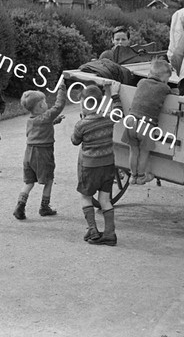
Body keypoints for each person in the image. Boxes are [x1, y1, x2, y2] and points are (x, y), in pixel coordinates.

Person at [72, 82, 122, 246]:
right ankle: (109, 233)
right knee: (104, 199)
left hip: (90, 167)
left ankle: (92, 229)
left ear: (83, 104)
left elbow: (74, 141)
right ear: (100, 103)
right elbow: (119, 112)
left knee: (86, 197)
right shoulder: (108, 119)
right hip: (108, 165)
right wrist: (115, 95)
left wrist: (82, 120)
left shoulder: (81, 124)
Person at [13, 82, 66, 220]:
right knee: (48, 179)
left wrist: (54, 122)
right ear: (41, 106)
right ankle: (44, 207)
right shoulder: (46, 116)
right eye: (45, 102)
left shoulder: (31, 120)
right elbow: (59, 106)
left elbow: (40, 127)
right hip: (43, 153)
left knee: (29, 182)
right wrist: (61, 88)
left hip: (29, 153)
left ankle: (20, 205)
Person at [122, 58, 174, 185]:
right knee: (144, 152)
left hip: (131, 121)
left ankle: (132, 176)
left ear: (150, 74)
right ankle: (141, 177)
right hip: (146, 125)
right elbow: (173, 93)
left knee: (133, 151)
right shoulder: (165, 88)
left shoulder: (141, 82)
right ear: (164, 79)